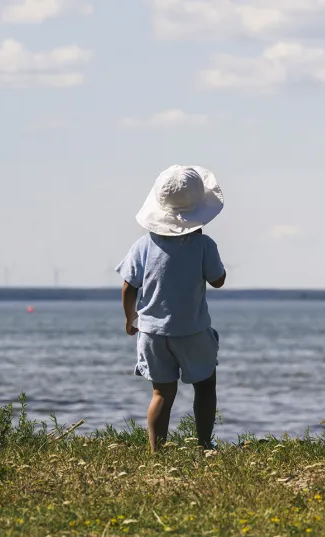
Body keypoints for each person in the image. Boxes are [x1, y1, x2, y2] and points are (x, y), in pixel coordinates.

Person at [116, 165, 226, 454]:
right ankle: (204, 444)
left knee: (161, 392)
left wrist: (131, 319)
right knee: (205, 384)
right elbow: (218, 280)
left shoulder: (142, 245)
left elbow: (128, 287)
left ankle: (156, 451)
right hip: (191, 330)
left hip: (151, 333)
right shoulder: (204, 245)